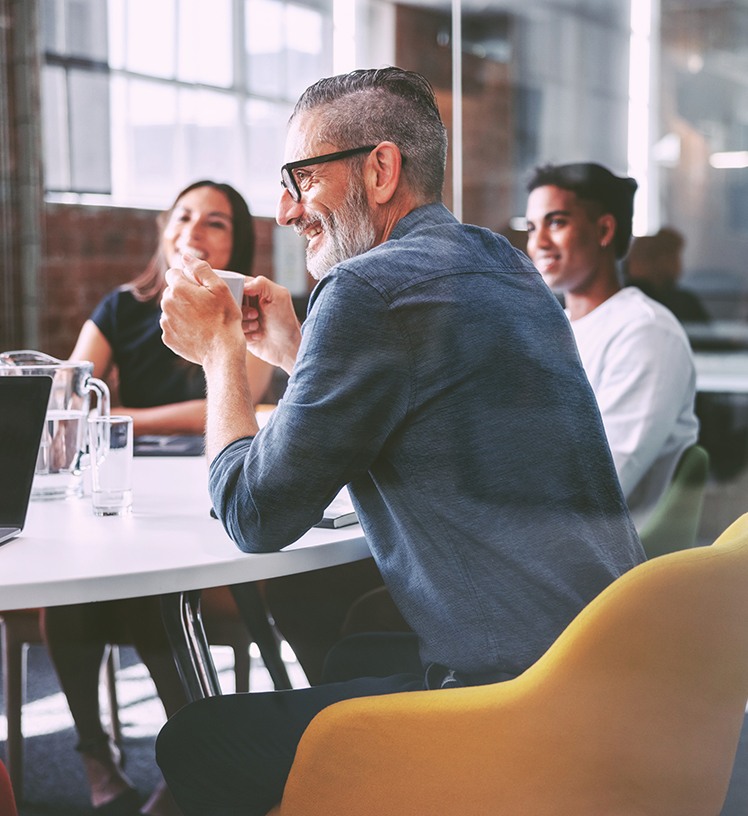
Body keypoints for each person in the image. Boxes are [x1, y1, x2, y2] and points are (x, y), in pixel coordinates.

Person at [153, 67, 643, 814]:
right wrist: (297, 351)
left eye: (301, 177)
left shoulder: (365, 292)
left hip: (514, 702)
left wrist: (221, 353)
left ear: (380, 169)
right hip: (600, 671)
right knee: (355, 643)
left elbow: (254, 517)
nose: (285, 210)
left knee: (194, 740)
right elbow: (427, 404)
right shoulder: (499, 262)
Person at [41, 181, 273, 816]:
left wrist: (121, 418)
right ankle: (94, 755)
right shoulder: (121, 308)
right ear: (166, 230)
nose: (195, 229)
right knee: (71, 586)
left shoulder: (247, 309)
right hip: (123, 492)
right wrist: (91, 409)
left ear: (238, 243)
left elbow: (229, 403)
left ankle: (191, 762)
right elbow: (68, 396)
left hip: (205, 493)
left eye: (217, 223)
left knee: (153, 581)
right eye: (185, 216)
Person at [525, 162, 699, 524]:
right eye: (531, 227)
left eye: (556, 223)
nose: (538, 243)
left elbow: (601, 483)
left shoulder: (645, 333)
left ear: (604, 229)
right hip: (549, 531)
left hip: (604, 557)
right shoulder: (556, 329)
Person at [623, 227, 711, 324]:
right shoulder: (681, 303)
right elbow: (710, 336)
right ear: (661, 260)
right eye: (675, 256)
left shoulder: (621, 300)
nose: (680, 263)